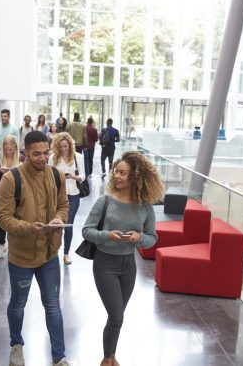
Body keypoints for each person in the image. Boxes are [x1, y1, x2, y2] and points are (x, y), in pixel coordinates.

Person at [82, 151, 164, 366]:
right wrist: (107, 235)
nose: (117, 176)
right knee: (117, 316)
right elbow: (87, 231)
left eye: (123, 173)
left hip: (128, 265)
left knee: (116, 318)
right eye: (116, 172)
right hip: (105, 264)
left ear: (135, 177)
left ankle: (111, 356)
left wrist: (139, 238)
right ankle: (107, 359)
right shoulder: (105, 201)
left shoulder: (145, 206)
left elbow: (152, 238)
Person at [0, 131, 72, 366]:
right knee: (18, 304)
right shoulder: (11, 179)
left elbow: (63, 204)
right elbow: (3, 218)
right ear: (25, 153)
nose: (42, 158)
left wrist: (59, 218)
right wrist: (29, 227)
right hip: (21, 256)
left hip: (49, 253)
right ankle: (16, 345)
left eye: (45, 153)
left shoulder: (57, 176)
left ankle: (59, 357)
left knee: (52, 306)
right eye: (36, 154)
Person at [49, 132, 85, 265]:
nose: (64, 149)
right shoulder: (52, 158)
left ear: (70, 145)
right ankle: (53, 252)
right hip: (57, 195)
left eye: (66, 146)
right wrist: (60, 177)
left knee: (68, 224)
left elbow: (83, 175)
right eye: (61, 147)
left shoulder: (78, 157)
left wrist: (73, 177)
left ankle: (66, 253)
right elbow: (49, 176)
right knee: (56, 224)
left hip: (73, 194)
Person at [0, 135, 25, 259]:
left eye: (11, 150)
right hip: (0, 193)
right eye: (6, 150)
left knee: (16, 219)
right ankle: (1, 245)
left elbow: (26, 177)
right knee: (0, 220)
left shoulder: (21, 158)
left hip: (17, 193)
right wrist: (0, 171)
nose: (8, 152)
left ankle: (14, 246)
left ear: (15, 148)